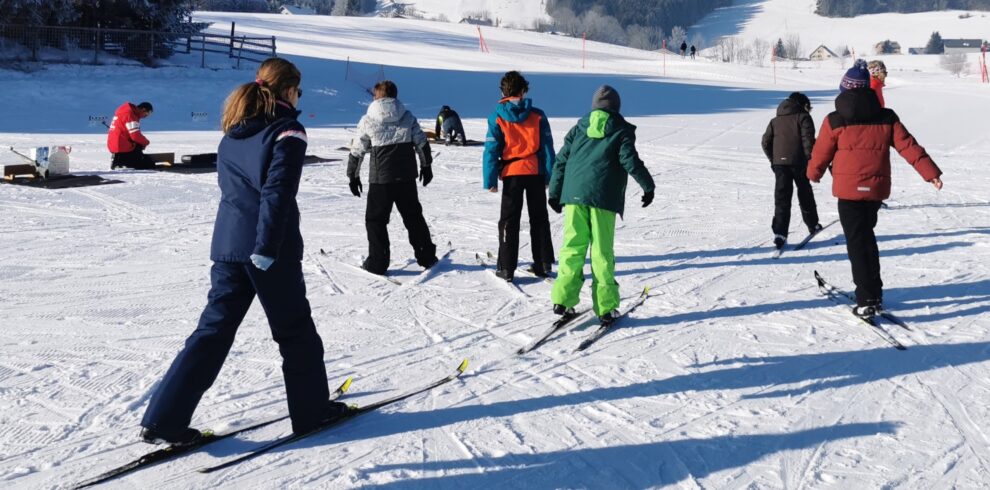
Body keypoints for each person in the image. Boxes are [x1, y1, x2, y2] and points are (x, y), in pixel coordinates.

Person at [140, 58, 349, 445]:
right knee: (295, 331)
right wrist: (266, 246)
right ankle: (312, 412)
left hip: (227, 247)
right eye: (299, 92)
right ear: (289, 91)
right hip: (267, 249)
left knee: (212, 332)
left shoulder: (233, 133)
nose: (299, 98)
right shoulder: (287, 131)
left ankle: (163, 420)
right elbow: (276, 193)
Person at [808, 61, 943, 319]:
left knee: (858, 243)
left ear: (844, 89)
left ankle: (867, 299)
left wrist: (813, 174)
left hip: (848, 192)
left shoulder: (834, 120)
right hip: (874, 191)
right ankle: (874, 293)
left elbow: (821, 152)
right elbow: (909, 146)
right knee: (866, 238)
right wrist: (931, 173)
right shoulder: (886, 117)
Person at [547, 85, 655, 324]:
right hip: (603, 198)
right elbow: (630, 160)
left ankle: (562, 300)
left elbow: (561, 160)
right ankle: (606, 308)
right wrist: (648, 186)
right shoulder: (620, 129)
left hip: (574, 196)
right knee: (601, 252)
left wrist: (554, 192)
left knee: (572, 247)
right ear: (616, 107)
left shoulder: (579, 128)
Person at [348, 80, 438, 275]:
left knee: (376, 221)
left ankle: (377, 262)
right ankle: (426, 256)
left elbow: (357, 150)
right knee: (413, 217)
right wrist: (426, 166)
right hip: (406, 178)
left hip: (380, 180)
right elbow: (422, 143)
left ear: (376, 96)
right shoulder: (407, 116)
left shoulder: (367, 120)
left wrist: (353, 176)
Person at [482, 71, 555, 281]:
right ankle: (543, 262)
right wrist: (549, 176)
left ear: (503, 92)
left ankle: (506, 268)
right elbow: (548, 149)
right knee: (539, 218)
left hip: (512, 174)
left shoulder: (497, 116)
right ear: (523, 91)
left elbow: (491, 149)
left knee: (509, 220)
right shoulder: (537, 115)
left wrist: (490, 179)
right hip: (534, 172)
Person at [761, 92, 821, 249]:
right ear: (803, 105)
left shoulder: (775, 120)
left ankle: (780, 233)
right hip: (799, 162)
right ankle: (813, 224)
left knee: (782, 198)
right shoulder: (803, 117)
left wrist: (774, 160)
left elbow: (765, 142)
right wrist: (810, 160)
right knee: (805, 193)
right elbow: (808, 141)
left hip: (780, 165)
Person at [107, 101, 155, 169]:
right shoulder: (130, 115)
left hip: (114, 145)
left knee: (137, 146)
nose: (146, 116)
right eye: (148, 113)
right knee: (148, 164)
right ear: (143, 109)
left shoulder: (123, 112)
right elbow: (135, 135)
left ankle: (118, 162)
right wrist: (146, 142)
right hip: (122, 146)